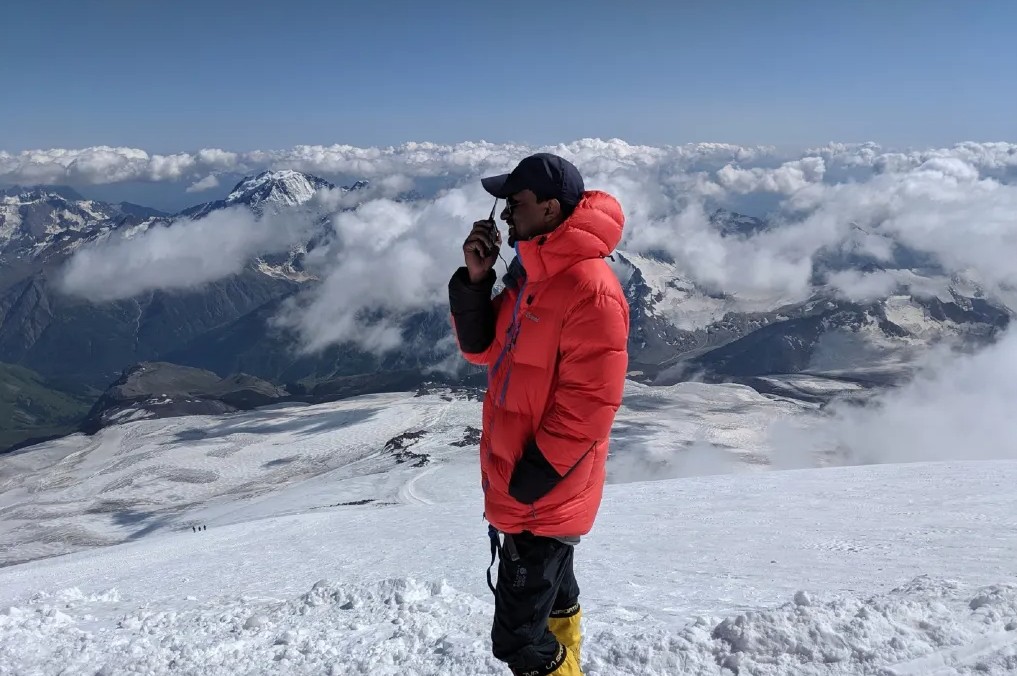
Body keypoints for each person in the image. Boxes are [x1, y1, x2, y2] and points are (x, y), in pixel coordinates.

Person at [448, 153, 629, 676]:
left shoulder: (589, 288)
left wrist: (531, 481)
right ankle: (570, 659)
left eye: (516, 204)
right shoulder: (534, 276)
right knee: (553, 596)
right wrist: (476, 282)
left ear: (550, 209)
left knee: (516, 641)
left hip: (542, 488)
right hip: (529, 482)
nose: (505, 216)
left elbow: (590, 403)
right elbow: (485, 352)